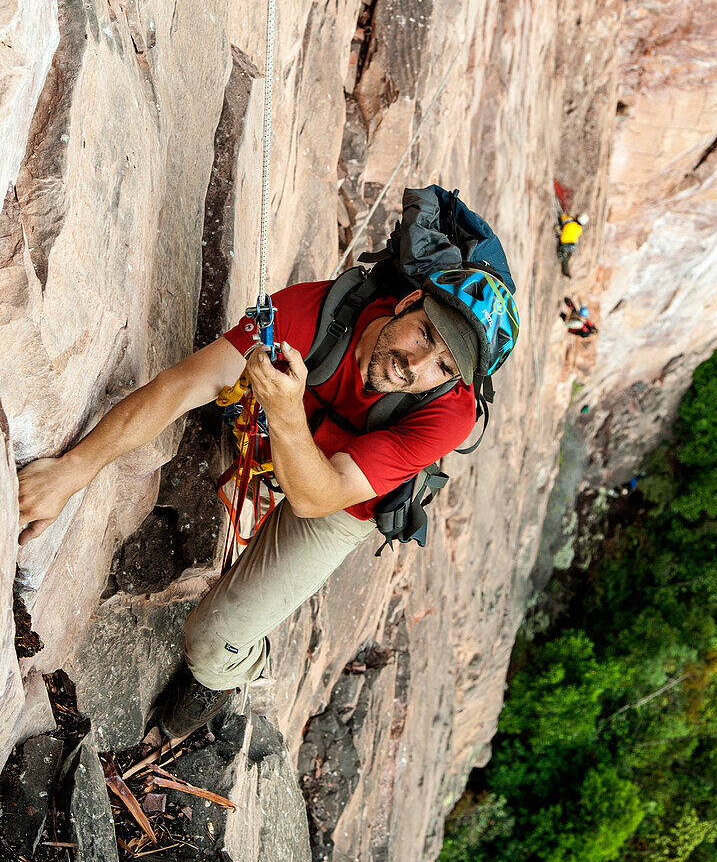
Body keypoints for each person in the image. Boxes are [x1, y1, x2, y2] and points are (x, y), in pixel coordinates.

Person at [17, 254, 512, 737]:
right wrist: (72, 470)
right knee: (226, 392)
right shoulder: (313, 314)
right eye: (425, 334)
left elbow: (318, 499)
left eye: (442, 367)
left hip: (342, 499)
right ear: (407, 301)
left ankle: (233, 677)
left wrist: (286, 412)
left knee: (211, 645)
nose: (417, 365)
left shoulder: (449, 415)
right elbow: (182, 384)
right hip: (289, 427)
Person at [556, 210, 589, 278]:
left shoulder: (569, 220)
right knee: (568, 256)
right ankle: (566, 271)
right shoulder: (580, 229)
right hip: (572, 245)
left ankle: (565, 269)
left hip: (564, 243)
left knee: (564, 256)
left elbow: (562, 217)